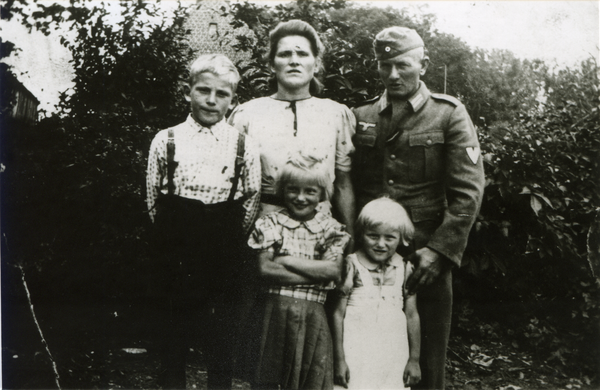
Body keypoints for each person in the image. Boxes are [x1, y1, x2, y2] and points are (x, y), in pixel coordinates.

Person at [350, 27, 485, 389]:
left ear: (422, 65)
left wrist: (439, 251)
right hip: (365, 262)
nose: (393, 75)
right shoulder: (360, 115)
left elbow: (468, 192)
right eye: (384, 65)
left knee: (426, 366)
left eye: (402, 65)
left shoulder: (448, 114)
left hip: (424, 261)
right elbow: (348, 188)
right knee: (363, 358)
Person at [146, 54, 260, 389]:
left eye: (221, 94)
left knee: (221, 336)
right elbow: (153, 197)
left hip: (222, 243)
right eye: (203, 90)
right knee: (173, 334)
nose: (211, 100)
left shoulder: (242, 144)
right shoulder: (166, 139)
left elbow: (251, 198)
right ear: (187, 91)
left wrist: (227, 235)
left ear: (233, 100)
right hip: (175, 243)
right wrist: (173, 233)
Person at [228, 19, 356, 236]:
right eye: (285, 54)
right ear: (271, 64)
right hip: (262, 229)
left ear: (315, 64)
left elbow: (343, 184)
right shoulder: (247, 115)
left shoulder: (335, 114)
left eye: (303, 54)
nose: (294, 61)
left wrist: (350, 234)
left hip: (322, 231)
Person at [245, 153, 351, 390]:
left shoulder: (330, 228)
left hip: (313, 316)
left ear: (321, 194)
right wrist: (315, 276)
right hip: (273, 313)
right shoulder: (270, 223)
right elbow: (265, 268)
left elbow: (333, 270)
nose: (301, 198)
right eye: (293, 190)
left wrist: (285, 259)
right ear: (283, 190)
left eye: (310, 191)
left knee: (309, 380)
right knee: (268, 381)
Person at [331, 197, 421, 390]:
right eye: (373, 236)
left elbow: (412, 315)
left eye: (389, 238)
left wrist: (414, 360)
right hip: (355, 351)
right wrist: (339, 360)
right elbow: (338, 313)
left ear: (402, 237)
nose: (381, 244)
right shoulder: (351, 265)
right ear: (362, 233)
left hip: (393, 353)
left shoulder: (405, 268)